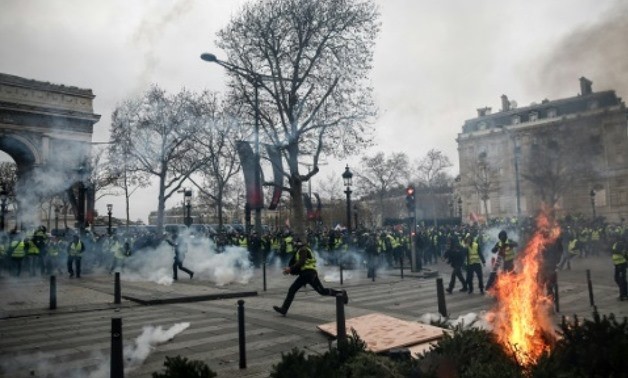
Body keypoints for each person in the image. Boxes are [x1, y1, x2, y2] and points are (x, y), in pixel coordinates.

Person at [273, 238, 348, 316]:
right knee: (322, 291)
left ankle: (284, 309)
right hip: (311, 273)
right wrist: (291, 270)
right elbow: (300, 264)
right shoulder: (305, 249)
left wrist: (290, 269)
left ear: (298, 243)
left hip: (307, 274)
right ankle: (341, 293)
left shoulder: (303, 249)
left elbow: (302, 261)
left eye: (295, 243)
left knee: (292, 289)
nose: (293, 245)